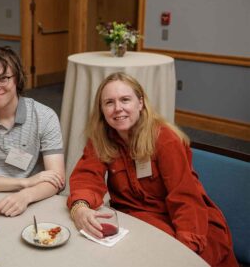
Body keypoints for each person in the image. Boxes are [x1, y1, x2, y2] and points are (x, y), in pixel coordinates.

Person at [67, 72, 238, 266]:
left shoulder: (165, 139)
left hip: (185, 221)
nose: (118, 108)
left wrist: (183, 248)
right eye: (109, 103)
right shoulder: (101, 138)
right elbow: (87, 177)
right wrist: (79, 207)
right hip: (137, 221)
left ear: (140, 103)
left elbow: (185, 198)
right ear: (102, 110)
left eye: (125, 100)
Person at [0, 45, 65, 217]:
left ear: (17, 78)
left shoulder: (45, 116)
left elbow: (57, 179)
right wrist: (24, 183)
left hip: (35, 200)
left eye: (3, 78)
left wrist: (25, 195)